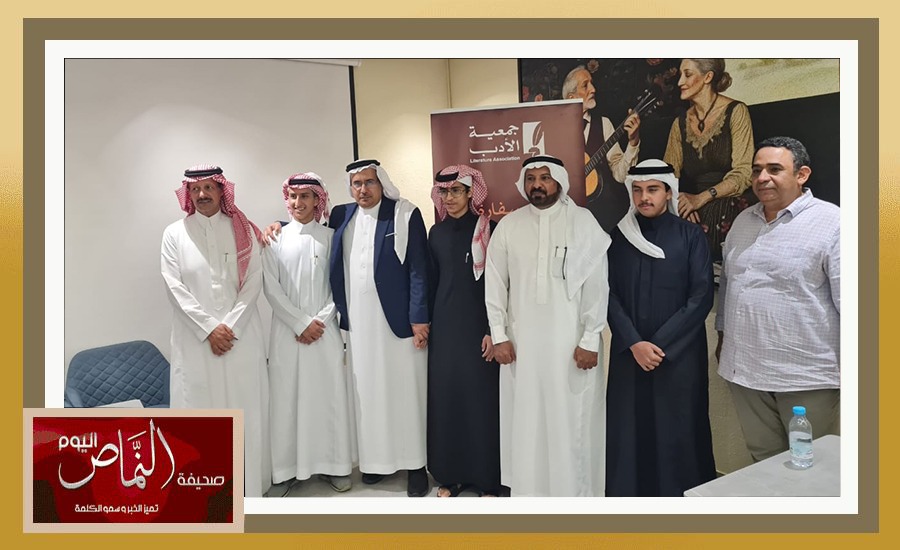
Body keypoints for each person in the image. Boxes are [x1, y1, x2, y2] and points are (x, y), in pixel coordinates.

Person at [484, 155, 611, 497]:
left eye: (544, 177)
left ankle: (573, 497)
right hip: (521, 346)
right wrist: (499, 336)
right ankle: (530, 496)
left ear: (559, 181)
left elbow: (597, 286)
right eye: (531, 179)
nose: (537, 185)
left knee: (570, 420)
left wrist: (590, 339)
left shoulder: (583, 222)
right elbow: (494, 285)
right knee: (526, 420)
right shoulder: (509, 226)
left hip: (570, 345)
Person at [716, 137, 840, 462]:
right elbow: (728, 285)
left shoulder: (833, 223)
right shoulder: (743, 221)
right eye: (757, 170)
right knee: (763, 462)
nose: (762, 178)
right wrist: (722, 337)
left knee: (811, 465)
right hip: (745, 372)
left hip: (805, 376)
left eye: (774, 169)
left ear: (802, 175)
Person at [605, 159, 716, 497]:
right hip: (630, 355)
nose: (644, 197)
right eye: (637, 190)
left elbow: (701, 296)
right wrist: (634, 343)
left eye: (652, 189)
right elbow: (606, 294)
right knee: (630, 428)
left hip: (678, 357)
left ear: (669, 192)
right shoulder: (619, 236)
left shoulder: (691, 235)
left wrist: (658, 345)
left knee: (678, 429)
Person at [160, 164, 271, 497]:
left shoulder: (242, 229)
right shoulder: (174, 234)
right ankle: (201, 493)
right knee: (200, 411)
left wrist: (229, 327)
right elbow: (173, 286)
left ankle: (249, 488)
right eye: (195, 189)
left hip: (240, 339)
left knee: (244, 409)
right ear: (188, 194)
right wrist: (210, 328)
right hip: (195, 342)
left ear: (222, 190)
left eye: (209, 187)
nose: (202, 194)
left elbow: (254, 281)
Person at [330, 159, 430, 497]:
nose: (363, 189)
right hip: (359, 326)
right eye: (356, 183)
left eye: (369, 182)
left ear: (381, 183)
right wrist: (278, 224)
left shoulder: (404, 213)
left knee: (407, 393)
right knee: (367, 394)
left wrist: (419, 317)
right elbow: (310, 230)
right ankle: (375, 463)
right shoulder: (341, 215)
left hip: (399, 323)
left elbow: (418, 268)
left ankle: (415, 465)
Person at [262, 172, 355, 494]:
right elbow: (271, 287)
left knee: (328, 399)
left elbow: (339, 286)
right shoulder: (274, 239)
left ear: (318, 200)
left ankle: (334, 466)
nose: (297, 202)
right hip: (287, 333)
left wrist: (319, 320)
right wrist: (300, 323)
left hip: (324, 333)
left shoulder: (331, 238)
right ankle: (286, 471)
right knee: (286, 402)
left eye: (305, 196)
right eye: (293, 196)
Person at [426, 165, 500, 498]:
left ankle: (487, 480)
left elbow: (499, 285)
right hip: (445, 330)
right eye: (444, 192)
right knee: (448, 400)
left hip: (480, 330)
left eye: (456, 191)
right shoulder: (436, 234)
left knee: (482, 403)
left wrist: (492, 330)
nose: (450, 198)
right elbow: (431, 283)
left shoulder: (489, 229)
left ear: (472, 193)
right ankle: (450, 476)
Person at [664, 58, 755, 262]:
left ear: (708, 77)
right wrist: (681, 203)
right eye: (680, 75)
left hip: (730, 198)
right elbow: (668, 175)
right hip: (694, 201)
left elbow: (744, 172)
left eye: (687, 74)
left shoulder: (736, 111)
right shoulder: (679, 123)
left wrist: (702, 198)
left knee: (718, 212)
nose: (680, 82)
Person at [563, 64, 641, 233]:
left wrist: (633, 142)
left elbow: (620, 175)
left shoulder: (604, 124)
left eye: (592, 83)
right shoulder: (559, 131)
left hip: (606, 219)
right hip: (571, 222)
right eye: (585, 85)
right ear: (571, 97)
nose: (593, 89)